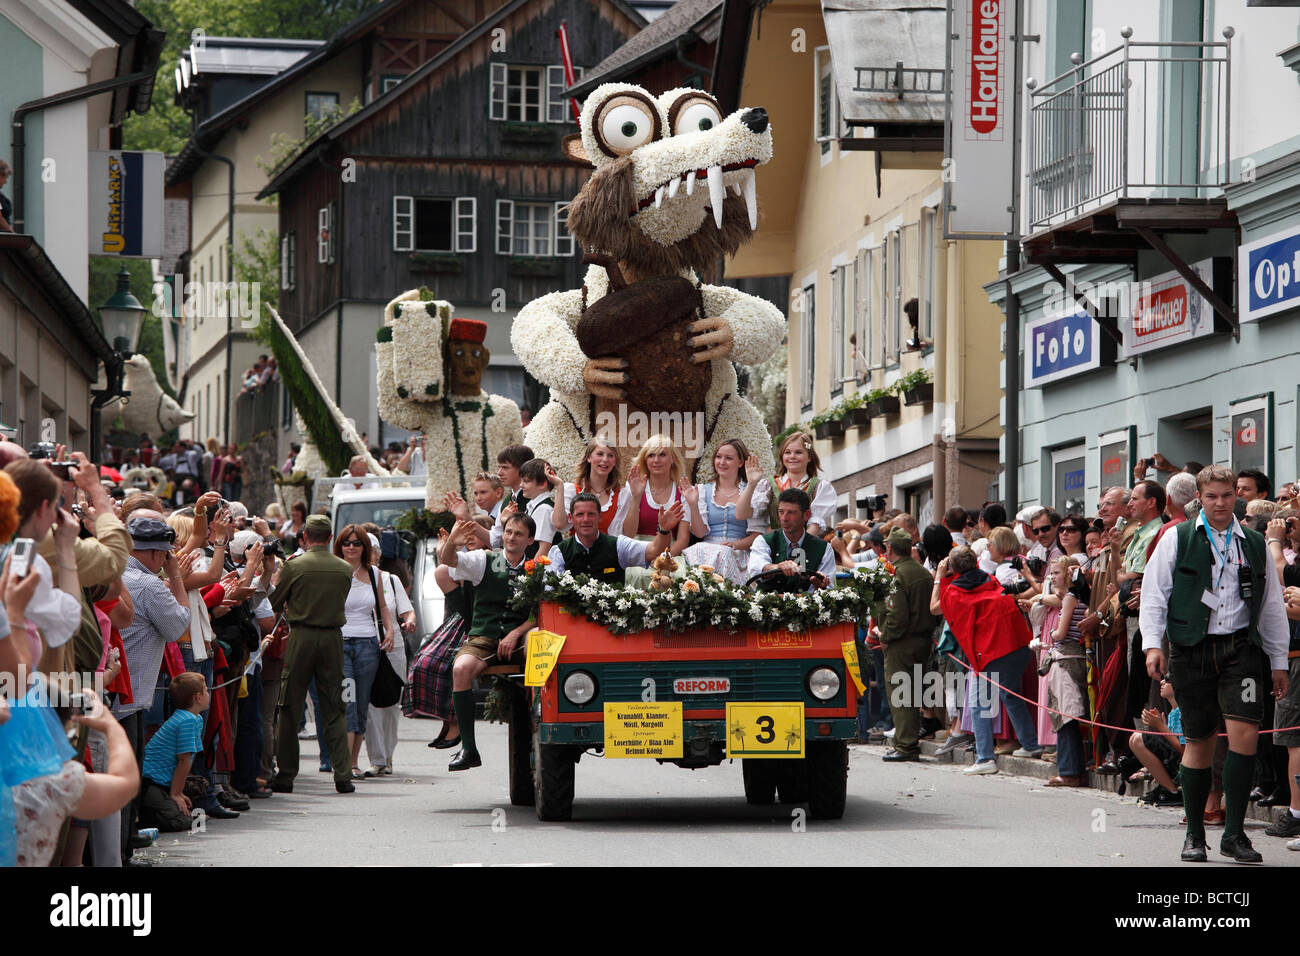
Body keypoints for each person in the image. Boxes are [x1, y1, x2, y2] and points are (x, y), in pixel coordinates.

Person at [1139, 465, 1291, 863]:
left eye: (1227, 496)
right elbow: (1154, 595)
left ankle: (1235, 835)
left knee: (1244, 736)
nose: (1221, 503)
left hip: (1241, 649)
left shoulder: (1254, 543)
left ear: (1235, 499)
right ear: (1199, 500)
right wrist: (1153, 645)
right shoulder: (1177, 537)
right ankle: (1194, 834)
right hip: (1192, 649)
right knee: (1200, 740)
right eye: (1212, 496)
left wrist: (1277, 659)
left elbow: (1272, 606)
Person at [111, 514, 192, 865]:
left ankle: (120, 843)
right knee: (126, 778)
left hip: (110, 691)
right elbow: (178, 625)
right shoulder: (150, 585)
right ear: (159, 554)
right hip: (128, 697)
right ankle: (121, 850)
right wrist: (176, 577)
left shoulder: (118, 575)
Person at [438, 514, 539, 771]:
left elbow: (540, 612)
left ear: (530, 540)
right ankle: (469, 749)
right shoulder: (485, 560)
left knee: (538, 647)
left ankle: (541, 723)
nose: (511, 538)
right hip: (484, 635)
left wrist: (517, 632)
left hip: (519, 637)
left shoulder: (538, 568)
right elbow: (449, 561)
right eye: (508, 532)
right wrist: (452, 541)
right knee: (460, 668)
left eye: (518, 534)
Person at [269, 514, 357, 794]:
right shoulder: (344, 568)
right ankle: (343, 775)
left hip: (302, 636)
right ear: (330, 537)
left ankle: (286, 775)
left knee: (289, 706)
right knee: (335, 706)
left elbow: (275, 601)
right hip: (332, 637)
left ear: (304, 537)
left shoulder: (295, 566)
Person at [936, 546, 1042, 775]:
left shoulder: (955, 591)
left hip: (992, 651)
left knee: (977, 703)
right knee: (1010, 694)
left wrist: (939, 578)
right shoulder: (989, 578)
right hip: (1018, 644)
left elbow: (940, 609)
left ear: (952, 568)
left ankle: (985, 758)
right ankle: (1031, 744)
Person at [332, 524, 396, 780]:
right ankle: (345, 765)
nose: (351, 547)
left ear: (364, 547)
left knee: (361, 706)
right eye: (346, 542)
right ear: (340, 546)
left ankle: (354, 763)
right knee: (348, 702)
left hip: (369, 645)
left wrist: (390, 631)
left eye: (356, 543)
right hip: (341, 643)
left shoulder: (374, 574)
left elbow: (382, 607)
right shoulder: (334, 571)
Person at [874, 528, 937, 762]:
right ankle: (907, 742)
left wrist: (886, 636)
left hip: (902, 642)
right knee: (913, 692)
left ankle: (906, 745)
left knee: (901, 695)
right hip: (921, 639)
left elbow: (896, 615)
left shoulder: (897, 575)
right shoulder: (921, 572)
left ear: (889, 548)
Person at [364, 532, 414, 777]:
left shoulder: (391, 580)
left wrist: (410, 622)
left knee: (392, 703)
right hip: (364, 646)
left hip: (393, 648)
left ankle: (389, 756)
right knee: (369, 704)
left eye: (371, 549)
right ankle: (377, 759)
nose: (368, 554)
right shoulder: (351, 580)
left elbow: (407, 611)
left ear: (379, 554)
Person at [1039, 556, 1090, 786]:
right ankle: (1073, 768)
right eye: (1051, 572)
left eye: (1057, 572)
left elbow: (1061, 632)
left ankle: (1068, 771)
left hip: (1066, 658)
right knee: (1071, 712)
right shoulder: (1079, 596)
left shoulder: (1071, 597)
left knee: (1065, 714)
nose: (1052, 576)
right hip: (1076, 658)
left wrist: (1051, 634)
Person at [546, 491, 679, 580]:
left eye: (591, 514)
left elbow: (654, 551)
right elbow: (550, 592)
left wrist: (664, 530)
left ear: (600, 517)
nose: (585, 519)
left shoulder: (618, 545)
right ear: (571, 518)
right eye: (580, 515)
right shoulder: (559, 552)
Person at [138, 672, 208, 832]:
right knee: (182, 822)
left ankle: (166, 807)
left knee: (194, 815)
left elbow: (187, 760)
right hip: (151, 784)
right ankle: (146, 815)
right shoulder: (187, 720)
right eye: (206, 690)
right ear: (198, 697)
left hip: (164, 784)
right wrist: (176, 794)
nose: (208, 693)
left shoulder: (195, 718)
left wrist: (179, 792)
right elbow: (184, 760)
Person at [683, 439, 759, 584]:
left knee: (724, 554)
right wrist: (693, 505)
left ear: (740, 462)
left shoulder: (751, 490)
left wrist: (736, 545)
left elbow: (759, 535)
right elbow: (699, 533)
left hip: (737, 554)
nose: (722, 462)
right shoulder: (704, 491)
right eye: (718, 457)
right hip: (705, 553)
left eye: (728, 458)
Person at [740, 430, 836, 536]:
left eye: (798, 452)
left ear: (809, 457)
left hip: (805, 548)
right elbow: (745, 517)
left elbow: (815, 526)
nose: (792, 456)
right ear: (782, 456)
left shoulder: (820, 487)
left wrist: (797, 547)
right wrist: (751, 484)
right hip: (775, 548)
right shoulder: (768, 486)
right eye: (787, 452)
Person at [748, 488, 837, 590]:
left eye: (791, 513)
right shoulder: (763, 541)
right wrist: (777, 567)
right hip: (767, 604)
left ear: (806, 515)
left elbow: (827, 589)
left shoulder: (824, 548)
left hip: (806, 605)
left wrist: (819, 584)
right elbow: (755, 568)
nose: (784, 518)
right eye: (781, 512)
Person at [552, 437, 628, 536]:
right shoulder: (572, 490)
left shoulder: (622, 494)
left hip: (609, 550)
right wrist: (560, 487)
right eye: (600, 454)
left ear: (615, 462)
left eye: (610, 455)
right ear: (589, 457)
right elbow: (559, 525)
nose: (605, 459)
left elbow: (626, 534)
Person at [1128, 676, 1185, 807]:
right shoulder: (1173, 713)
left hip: (1183, 764)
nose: (1162, 682)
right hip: (1176, 762)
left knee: (1138, 738)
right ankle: (1166, 786)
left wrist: (1161, 727)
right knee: (1135, 737)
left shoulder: (1182, 713)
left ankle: (1171, 790)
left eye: (1168, 680)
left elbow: (1185, 751)